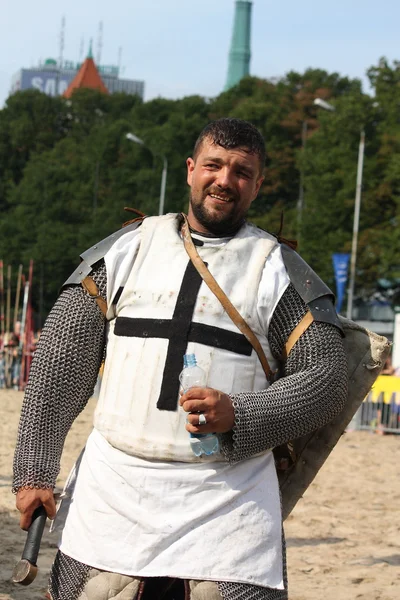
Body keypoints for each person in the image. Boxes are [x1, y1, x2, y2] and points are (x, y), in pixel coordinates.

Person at [13, 118, 348, 600]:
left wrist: (241, 413)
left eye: (241, 171)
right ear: (191, 170)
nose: (224, 180)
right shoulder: (128, 249)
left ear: (258, 185)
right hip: (114, 492)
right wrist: (34, 471)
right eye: (213, 165)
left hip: (227, 499)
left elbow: (325, 376)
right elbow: (59, 367)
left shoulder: (275, 268)